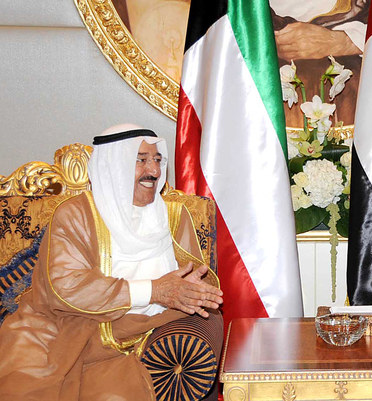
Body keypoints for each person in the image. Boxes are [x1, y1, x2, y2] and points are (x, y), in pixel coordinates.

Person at [0, 124, 224, 400]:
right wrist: (154, 290)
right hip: (58, 331)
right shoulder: (74, 215)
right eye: (141, 160)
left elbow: (195, 281)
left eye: (156, 160)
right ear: (113, 167)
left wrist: (192, 291)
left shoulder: (175, 217)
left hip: (136, 336)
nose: (153, 171)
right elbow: (67, 289)